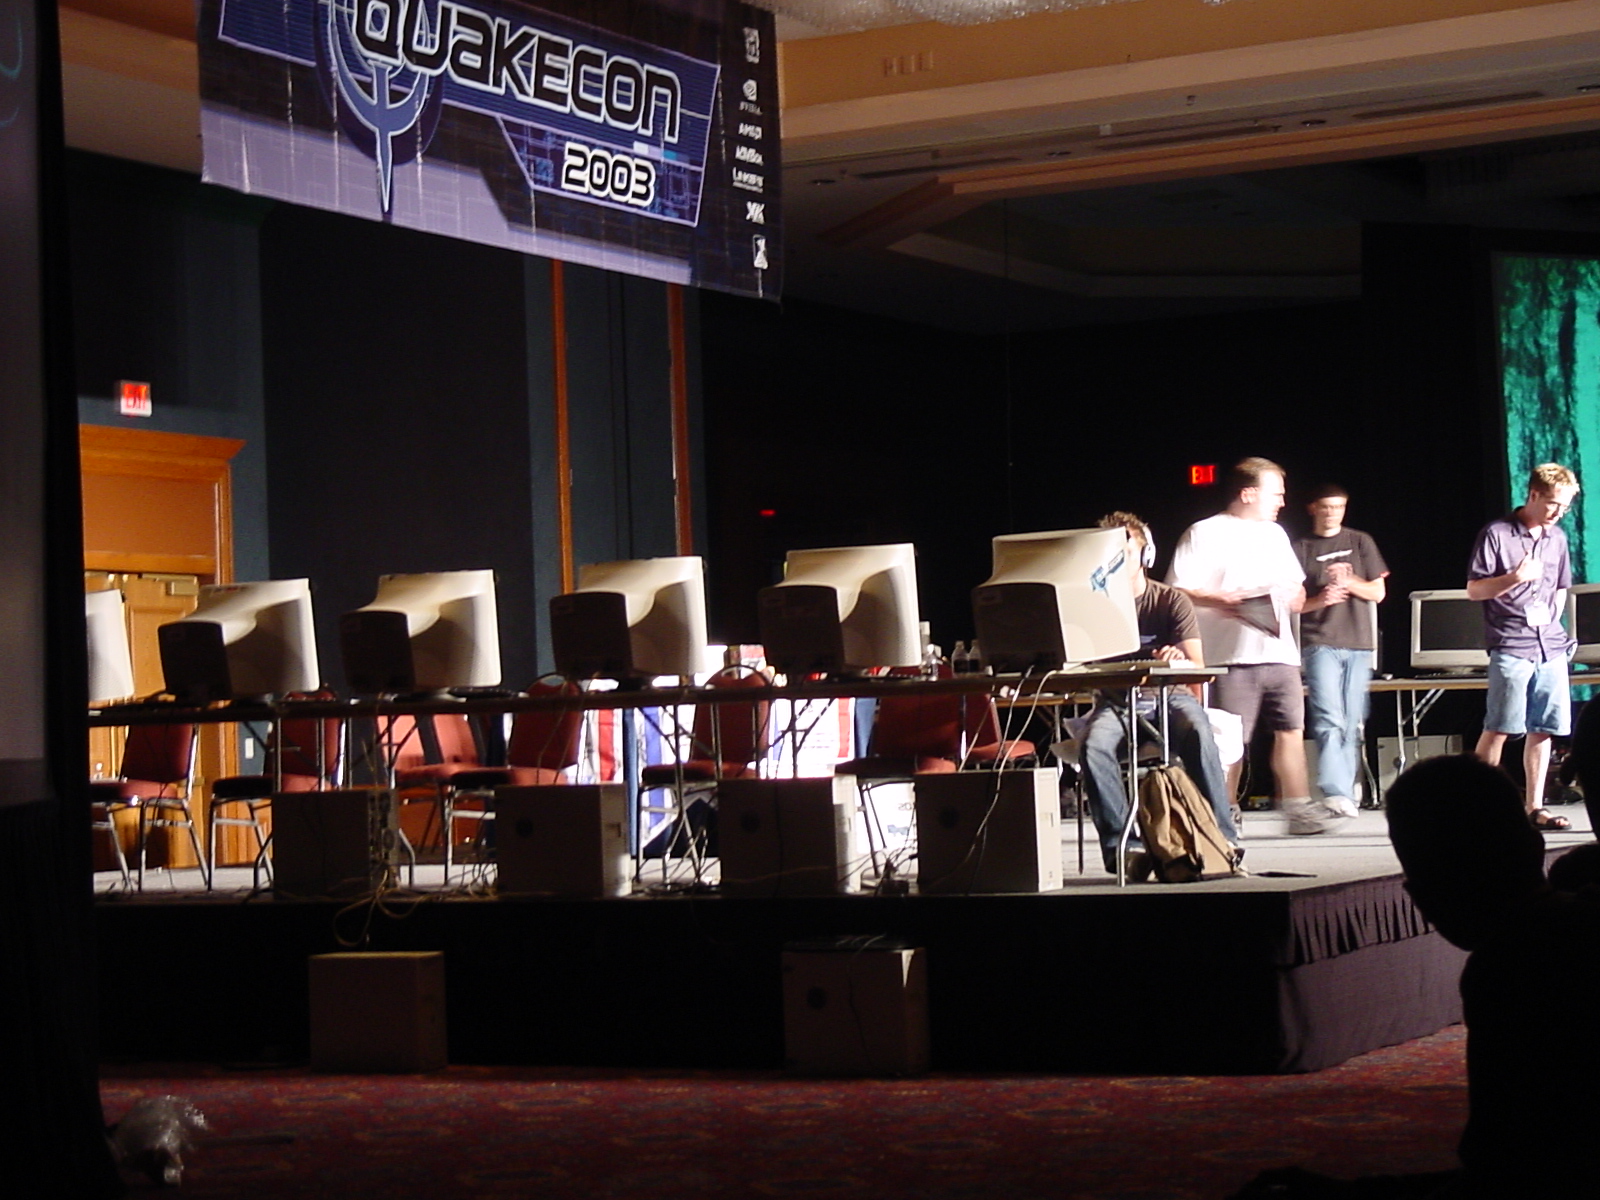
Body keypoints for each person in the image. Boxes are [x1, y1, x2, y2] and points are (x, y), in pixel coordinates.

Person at [1386, 755, 1600, 1198]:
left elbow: (1510, 1168)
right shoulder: (1570, 925)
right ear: (1535, 846)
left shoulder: (1510, 968)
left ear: (1422, 891)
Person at [1168, 457, 1328, 834]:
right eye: (1276, 493)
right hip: (1230, 657)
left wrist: (1294, 595)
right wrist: (1221, 599)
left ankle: (1298, 808)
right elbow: (1177, 587)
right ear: (1248, 492)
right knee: (1230, 740)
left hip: (1279, 652)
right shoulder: (1203, 533)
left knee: (1290, 729)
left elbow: (1298, 592)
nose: (1282, 502)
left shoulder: (1275, 535)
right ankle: (1225, 811)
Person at [1077, 513, 1241, 874]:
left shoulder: (1170, 601)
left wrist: (1178, 658)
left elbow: (1198, 666)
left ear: (1146, 555)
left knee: (1198, 731)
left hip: (1170, 697)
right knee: (1093, 746)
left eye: (1126, 550)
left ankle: (1223, 838)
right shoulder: (1091, 606)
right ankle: (1123, 849)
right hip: (1117, 702)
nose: (1116, 560)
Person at [1467, 462, 1580, 830]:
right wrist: (1514, 578)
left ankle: (1534, 807)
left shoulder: (1557, 538)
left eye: (1565, 507)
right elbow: (1474, 590)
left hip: (1549, 645)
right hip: (1511, 644)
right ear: (1533, 495)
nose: (1558, 513)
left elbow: (1561, 587)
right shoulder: (1497, 534)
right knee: (1500, 726)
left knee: (1543, 727)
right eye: (1552, 504)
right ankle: (1481, 808)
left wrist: (1552, 623)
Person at [1293, 484, 1389, 820]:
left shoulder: (1360, 541)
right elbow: (1291, 603)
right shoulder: (1301, 547)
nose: (1333, 512)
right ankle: (1336, 790)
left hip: (1359, 642)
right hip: (1320, 641)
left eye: (1339, 507)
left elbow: (1378, 592)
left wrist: (1349, 582)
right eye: (1327, 507)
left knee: (1353, 720)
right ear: (1313, 508)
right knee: (1329, 718)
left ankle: (1347, 788)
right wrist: (1322, 598)